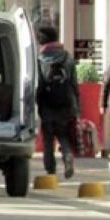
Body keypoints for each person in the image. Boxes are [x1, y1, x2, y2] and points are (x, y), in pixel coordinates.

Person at [35, 25, 78, 179]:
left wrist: (36, 103)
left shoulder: (40, 59)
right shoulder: (67, 57)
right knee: (63, 135)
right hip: (65, 102)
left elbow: (38, 84)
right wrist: (76, 105)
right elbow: (73, 83)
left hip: (47, 103)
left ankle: (50, 170)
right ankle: (67, 156)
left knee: (48, 138)